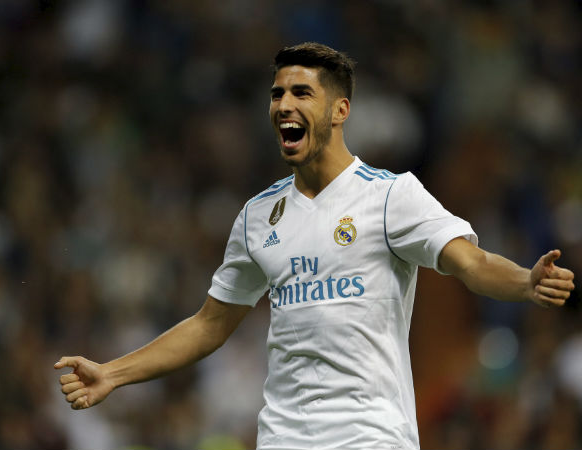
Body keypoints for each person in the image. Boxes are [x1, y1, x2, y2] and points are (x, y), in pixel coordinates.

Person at [55, 42, 575, 450]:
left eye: (301, 93)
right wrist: (112, 373)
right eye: (277, 94)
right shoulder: (258, 216)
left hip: (371, 437)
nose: (284, 105)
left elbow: (471, 263)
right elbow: (209, 325)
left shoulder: (391, 196)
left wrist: (525, 282)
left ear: (340, 109)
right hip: (284, 440)